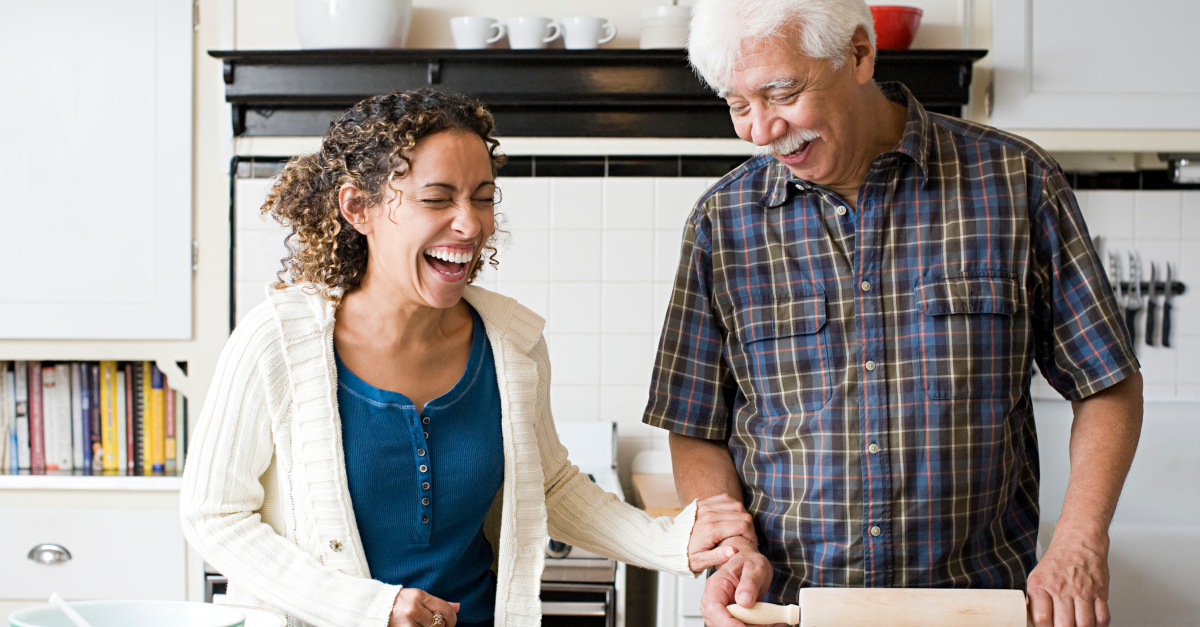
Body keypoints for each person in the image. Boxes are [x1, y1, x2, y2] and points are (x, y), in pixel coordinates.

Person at [641, 2, 1143, 627]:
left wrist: (1080, 540)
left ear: (858, 53)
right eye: (739, 106)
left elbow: (1108, 385)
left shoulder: (1016, 183)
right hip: (792, 610)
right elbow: (695, 421)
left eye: (782, 93)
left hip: (976, 606)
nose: (762, 130)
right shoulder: (724, 222)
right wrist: (731, 548)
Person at [180, 88, 756, 627]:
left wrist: (671, 542)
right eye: (437, 199)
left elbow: (550, 485)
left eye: (483, 198)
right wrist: (371, 607)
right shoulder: (276, 341)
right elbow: (215, 516)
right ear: (359, 208)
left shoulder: (511, 342)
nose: (470, 223)